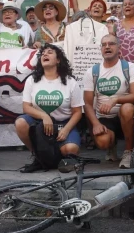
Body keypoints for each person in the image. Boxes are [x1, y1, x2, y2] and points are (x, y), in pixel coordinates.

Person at [16, 44, 83, 173]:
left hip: (63, 123)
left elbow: (77, 112)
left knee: (70, 150)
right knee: (20, 123)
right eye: (43, 53)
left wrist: (66, 129)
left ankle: (54, 157)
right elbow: (26, 107)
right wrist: (44, 116)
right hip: (40, 123)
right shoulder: (32, 80)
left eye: (50, 52)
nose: (45, 54)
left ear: (58, 60)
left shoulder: (70, 82)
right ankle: (38, 158)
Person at [83, 34, 134, 168]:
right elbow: (87, 104)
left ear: (119, 47)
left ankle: (129, 151)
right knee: (103, 142)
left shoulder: (130, 67)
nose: (107, 47)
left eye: (111, 44)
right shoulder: (92, 71)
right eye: (104, 45)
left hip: (125, 116)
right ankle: (111, 146)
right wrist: (96, 124)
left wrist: (115, 100)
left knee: (127, 108)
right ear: (101, 49)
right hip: (104, 118)